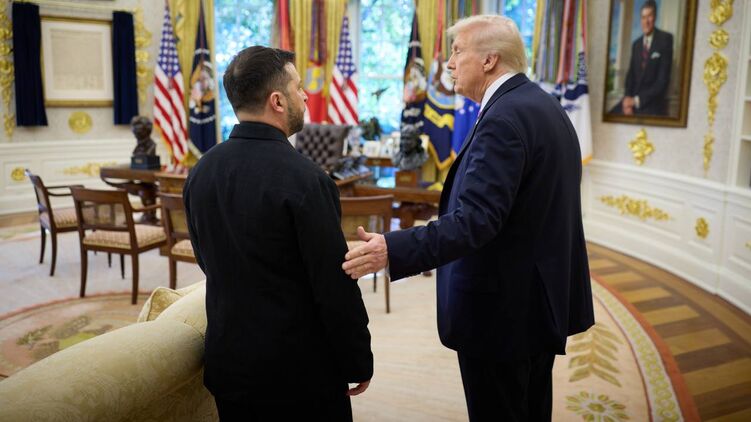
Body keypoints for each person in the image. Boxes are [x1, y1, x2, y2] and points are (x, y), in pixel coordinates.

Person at [342, 15, 594, 421]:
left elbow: (475, 221)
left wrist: (393, 248)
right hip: (535, 302)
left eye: (458, 51)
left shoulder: (503, 120)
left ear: (490, 59)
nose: (449, 63)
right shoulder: (541, 105)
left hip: (503, 312)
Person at [183, 46, 373, 421]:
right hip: (299, 374)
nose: (305, 95)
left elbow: (207, 260)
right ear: (277, 101)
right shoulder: (307, 179)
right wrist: (357, 359)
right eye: (298, 87)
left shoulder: (201, 171)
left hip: (229, 364)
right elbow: (332, 286)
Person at [617, 0, 673, 116]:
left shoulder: (665, 40)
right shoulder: (636, 44)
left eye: (649, 16)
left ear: (655, 17)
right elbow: (631, 76)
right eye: (643, 17)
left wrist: (636, 101)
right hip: (632, 103)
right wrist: (627, 99)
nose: (646, 22)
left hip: (652, 105)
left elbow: (662, 82)